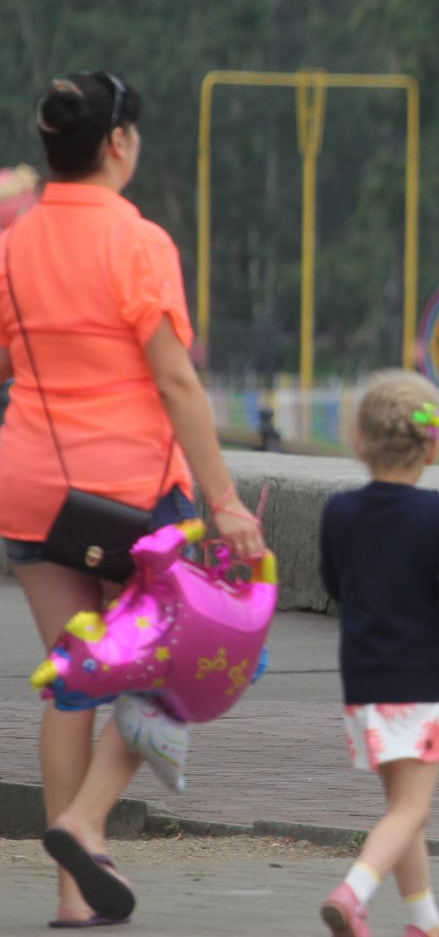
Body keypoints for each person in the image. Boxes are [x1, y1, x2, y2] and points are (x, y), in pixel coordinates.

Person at [0, 71, 267, 927]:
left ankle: (72, 895)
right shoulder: (139, 242)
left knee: (72, 679)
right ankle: (85, 821)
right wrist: (224, 501)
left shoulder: (11, 244)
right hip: (133, 499)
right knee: (173, 666)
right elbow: (177, 383)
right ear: (118, 144)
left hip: (31, 493)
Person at [319, 371, 439, 937]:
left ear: (359, 441)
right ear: (433, 444)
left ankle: (426, 923)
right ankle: (353, 893)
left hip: (362, 683)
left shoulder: (338, 512)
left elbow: (334, 583)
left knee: (402, 809)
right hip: (419, 685)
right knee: (412, 810)